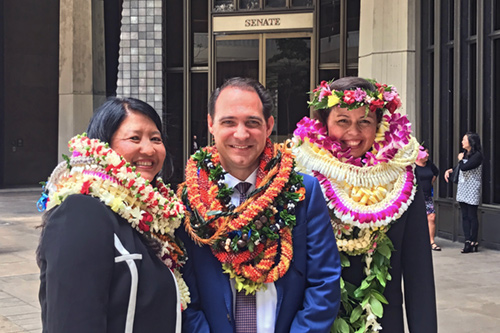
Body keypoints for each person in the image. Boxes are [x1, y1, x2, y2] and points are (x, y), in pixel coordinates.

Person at [177, 77, 341, 333]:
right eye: (228, 122)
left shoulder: (302, 191)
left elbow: (324, 281)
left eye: (252, 123)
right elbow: (184, 293)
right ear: (211, 124)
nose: (241, 134)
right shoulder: (190, 199)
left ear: (269, 126)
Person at [292, 77, 437, 332]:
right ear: (325, 124)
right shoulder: (301, 179)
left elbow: (419, 276)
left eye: (365, 122)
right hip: (314, 323)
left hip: (383, 323)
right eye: (343, 121)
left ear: (379, 124)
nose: (354, 133)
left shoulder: (402, 181)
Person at [36, 97, 189, 333]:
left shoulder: (156, 220)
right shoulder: (81, 212)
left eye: (155, 139)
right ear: (103, 146)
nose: (148, 149)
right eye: (134, 138)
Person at [444, 132, 483, 253]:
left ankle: (473, 241)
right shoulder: (465, 154)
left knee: (472, 215)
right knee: (464, 215)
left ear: (471, 142)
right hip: (462, 187)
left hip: (472, 188)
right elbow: (460, 167)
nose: (462, 142)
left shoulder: (477, 155)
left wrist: (460, 160)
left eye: (464, 140)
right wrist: (450, 170)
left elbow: (466, 167)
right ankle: (467, 241)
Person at [415, 145, 441, 251]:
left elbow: (436, 172)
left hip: (427, 195)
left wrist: (430, 183)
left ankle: (431, 242)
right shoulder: (413, 166)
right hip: (416, 196)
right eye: (425, 153)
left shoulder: (429, 164)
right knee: (418, 218)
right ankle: (417, 241)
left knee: (431, 217)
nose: (428, 155)